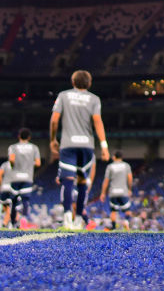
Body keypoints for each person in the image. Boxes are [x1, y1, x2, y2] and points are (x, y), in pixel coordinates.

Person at [50, 70, 109, 229]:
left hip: (68, 144)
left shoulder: (63, 95)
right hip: (86, 145)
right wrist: (104, 145)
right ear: (89, 83)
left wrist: (53, 139)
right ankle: (78, 218)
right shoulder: (94, 99)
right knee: (83, 182)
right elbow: (98, 121)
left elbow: (54, 120)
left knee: (68, 181)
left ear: (73, 81)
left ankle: (67, 216)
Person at [7, 128, 41, 227]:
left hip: (15, 177)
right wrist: (29, 164)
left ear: (19, 136)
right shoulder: (34, 148)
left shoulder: (13, 147)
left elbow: (11, 160)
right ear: (29, 137)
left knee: (14, 200)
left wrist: (15, 166)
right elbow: (38, 163)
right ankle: (24, 219)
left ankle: (13, 223)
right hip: (27, 177)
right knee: (25, 200)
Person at [99, 151, 133, 230]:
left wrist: (103, 193)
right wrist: (130, 189)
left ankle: (113, 227)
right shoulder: (126, 166)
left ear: (114, 157)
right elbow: (130, 178)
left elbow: (106, 181)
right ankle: (126, 221)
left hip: (113, 192)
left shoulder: (110, 166)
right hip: (123, 191)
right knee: (127, 210)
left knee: (113, 211)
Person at [0, 160, 15, 228]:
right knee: (11, 207)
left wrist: (1, 185)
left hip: (4, 188)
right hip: (12, 188)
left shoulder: (5, 164)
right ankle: (5, 223)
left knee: (6, 207)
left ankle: (6, 222)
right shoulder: (19, 164)